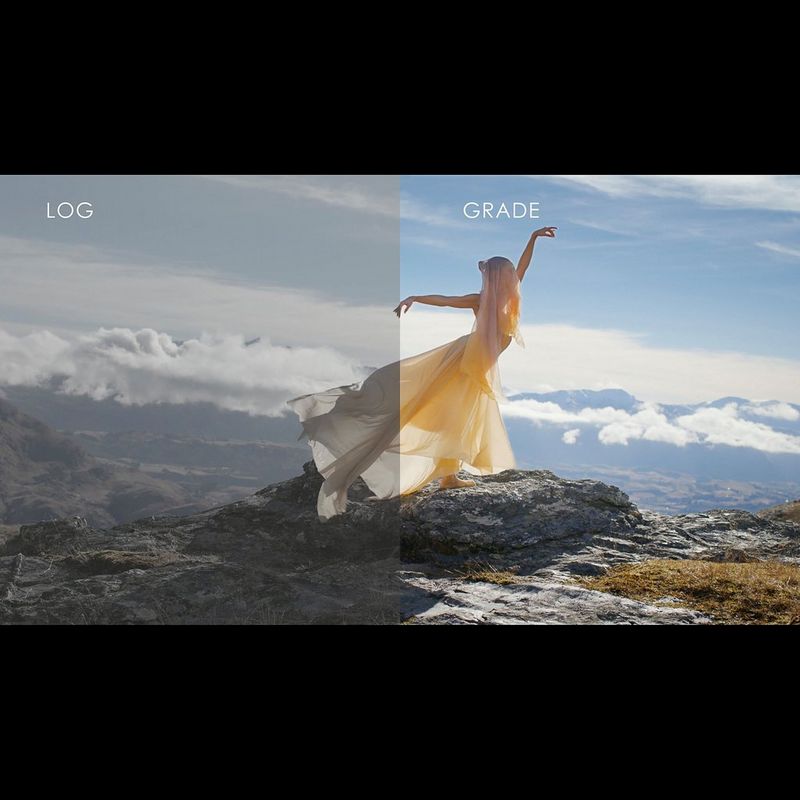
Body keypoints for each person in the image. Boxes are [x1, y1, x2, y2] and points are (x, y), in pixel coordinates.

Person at [287, 227, 557, 521]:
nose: (510, 277)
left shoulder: (509, 298)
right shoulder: (480, 300)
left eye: (508, 274)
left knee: (458, 420)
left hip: (477, 369)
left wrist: (532, 238)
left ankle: (449, 476)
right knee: (444, 415)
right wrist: (415, 297)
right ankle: (445, 475)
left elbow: (523, 265)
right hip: (462, 365)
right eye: (505, 274)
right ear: (498, 278)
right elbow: (445, 300)